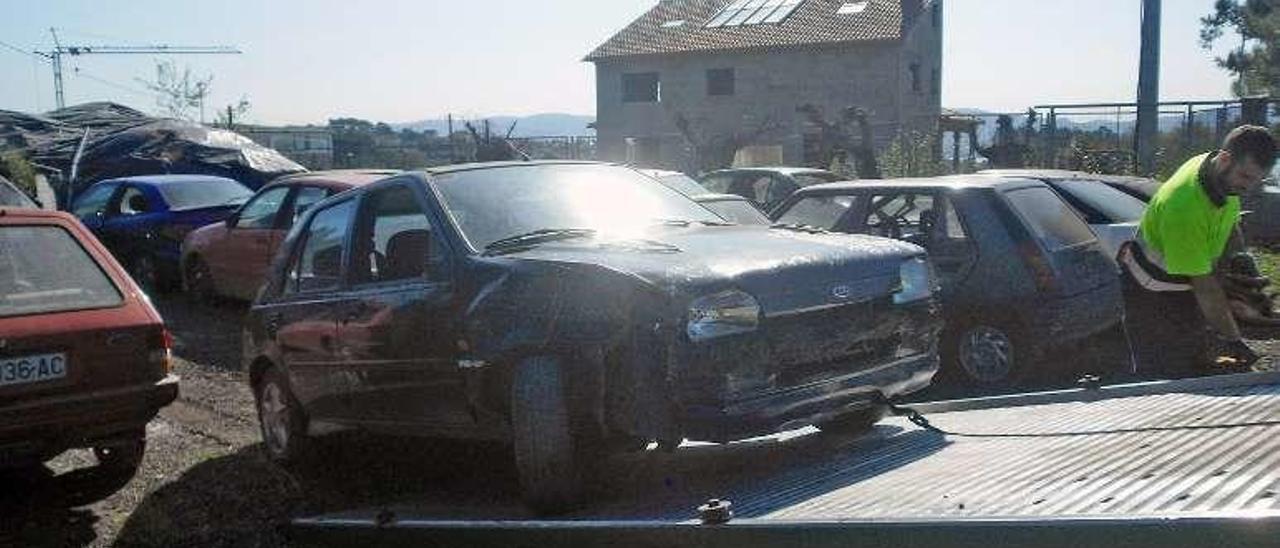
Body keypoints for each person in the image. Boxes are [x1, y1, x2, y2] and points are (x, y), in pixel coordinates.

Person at [1119, 125, 1276, 372]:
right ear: (1225, 160)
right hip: (1150, 292)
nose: (1249, 187)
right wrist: (1234, 339)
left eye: (1257, 180)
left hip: (1185, 276)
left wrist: (1240, 262)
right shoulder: (1184, 206)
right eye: (1246, 177)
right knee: (1164, 373)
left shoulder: (1219, 172)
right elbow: (1204, 286)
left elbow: (1229, 222)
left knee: (1197, 351)